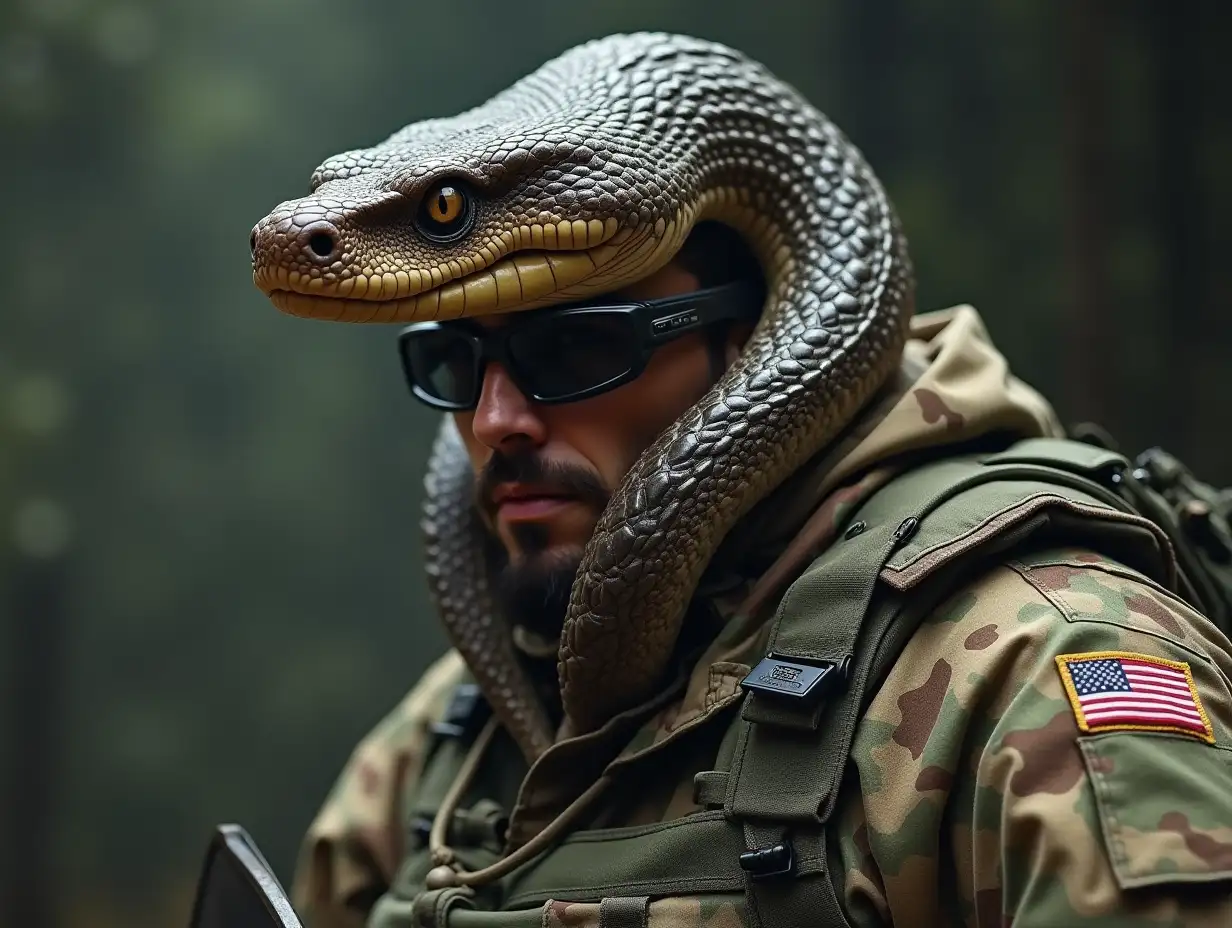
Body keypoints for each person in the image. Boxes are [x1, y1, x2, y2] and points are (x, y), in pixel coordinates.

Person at [248, 34, 1232, 928]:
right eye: (460, 366)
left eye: (574, 348)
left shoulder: (1033, 668)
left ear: (754, 335)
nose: (498, 421)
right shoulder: (458, 730)